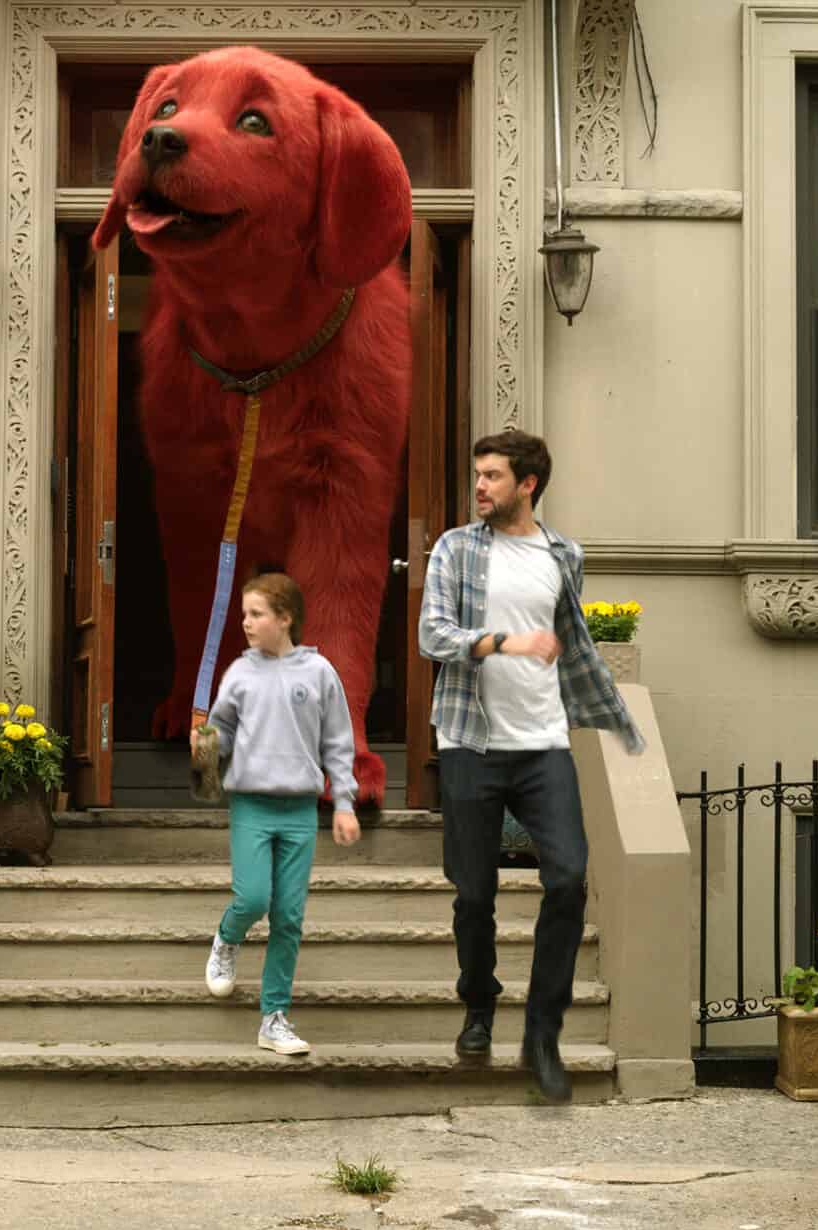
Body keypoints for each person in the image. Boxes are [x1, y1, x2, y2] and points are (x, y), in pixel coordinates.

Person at [416, 430, 644, 1100]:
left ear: (528, 484)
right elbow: (433, 633)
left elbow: (572, 642)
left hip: (543, 743)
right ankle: (479, 1002)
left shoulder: (564, 554)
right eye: (477, 474)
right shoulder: (455, 548)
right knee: (474, 892)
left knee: (569, 879)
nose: (479, 486)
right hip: (469, 740)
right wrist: (505, 641)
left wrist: (609, 713)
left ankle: (542, 1032)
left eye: (491, 476)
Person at [199, 573, 364, 1055]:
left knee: (289, 916)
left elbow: (337, 742)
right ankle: (227, 938)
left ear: (285, 618)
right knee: (253, 899)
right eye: (245, 614)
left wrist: (345, 802)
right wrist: (208, 745)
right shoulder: (239, 674)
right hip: (251, 803)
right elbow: (222, 728)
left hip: (299, 810)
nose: (245, 622)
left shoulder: (319, 673)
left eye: (256, 614)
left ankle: (273, 1018)